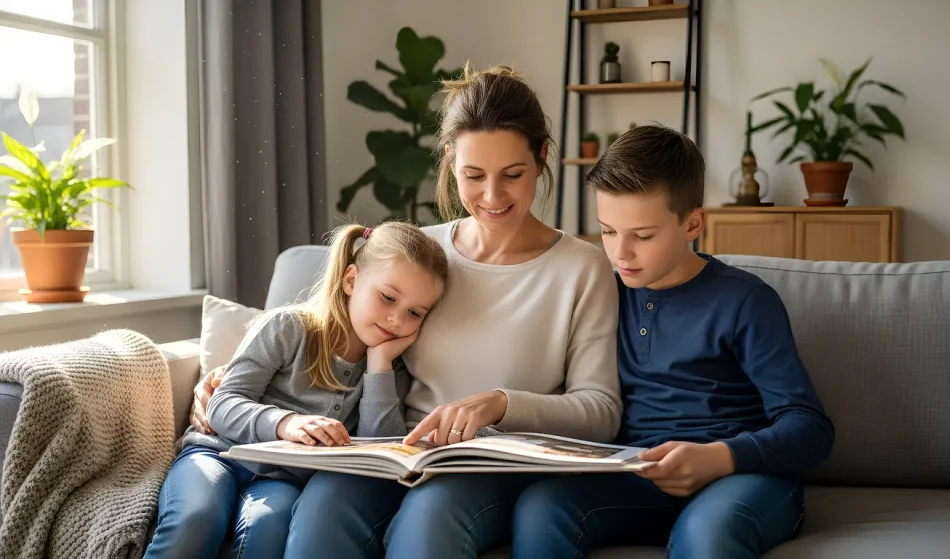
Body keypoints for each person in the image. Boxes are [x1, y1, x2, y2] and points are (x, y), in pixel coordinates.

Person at [189, 64, 622, 559]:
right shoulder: (422, 257)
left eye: (513, 175)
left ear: (542, 158)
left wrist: (500, 404)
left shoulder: (582, 267)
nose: (492, 196)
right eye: (473, 175)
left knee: (431, 519)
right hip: (389, 454)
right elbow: (325, 328)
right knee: (323, 511)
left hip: (494, 469)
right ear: (450, 162)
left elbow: (601, 413)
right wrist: (227, 375)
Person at [512, 125, 836, 559]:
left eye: (643, 236)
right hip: (639, 478)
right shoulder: (603, 295)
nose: (620, 253)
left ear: (693, 224)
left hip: (738, 479)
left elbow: (811, 428)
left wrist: (721, 457)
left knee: (707, 534)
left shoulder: (746, 301)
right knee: (541, 508)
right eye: (608, 231)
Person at [145, 221, 448, 559]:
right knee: (195, 519)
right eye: (388, 298)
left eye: (414, 313)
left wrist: (379, 365)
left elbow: (379, 452)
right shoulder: (288, 327)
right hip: (218, 454)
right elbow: (223, 404)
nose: (397, 320)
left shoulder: (392, 369)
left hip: (282, 479)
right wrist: (286, 423)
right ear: (351, 280)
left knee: (268, 528)